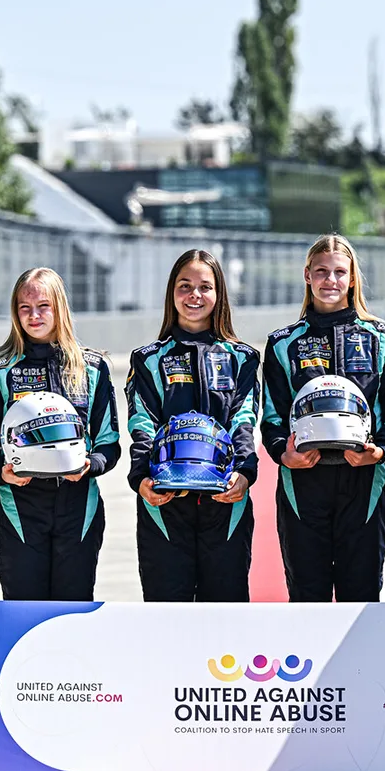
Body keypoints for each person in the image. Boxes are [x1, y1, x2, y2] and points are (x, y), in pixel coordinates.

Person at [260, 234, 385, 602]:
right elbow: (271, 415)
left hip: (363, 478)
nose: (330, 280)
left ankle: (361, 664)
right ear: (307, 276)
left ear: (353, 278)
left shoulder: (384, 338)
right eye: (321, 272)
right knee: (306, 594)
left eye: (339, 272)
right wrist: (285, 454)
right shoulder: (283, 342)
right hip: (303, 480)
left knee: (360, 595)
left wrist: (381, 450)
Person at [126, 250, 260, 601]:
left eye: (205, 286)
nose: (195, 295)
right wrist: (142, 480)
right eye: (185, 286)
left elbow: (244, 421)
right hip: (165, 500)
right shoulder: (148, 359)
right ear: (172, 293)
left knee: (226, 614)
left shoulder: (241, 357)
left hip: (225, 499)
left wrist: (245, 473)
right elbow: (141, 424)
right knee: (166, 615)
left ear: (219, 295)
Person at [0, 268, 120, 600]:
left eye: (43, 306)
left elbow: (109, 444)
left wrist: (91, 465)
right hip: (20, 506)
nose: (34, 316)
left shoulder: (92, 368)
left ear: (59, 308)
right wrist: (2, 475)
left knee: (73, 612)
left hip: (78, 506)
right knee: (23, 611)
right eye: (24, 308)